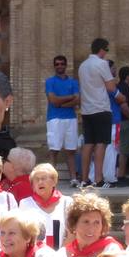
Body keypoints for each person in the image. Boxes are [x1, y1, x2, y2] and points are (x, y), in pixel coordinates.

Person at [76, 40, 117, 189]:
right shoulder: (102, 64)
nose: (106, 53)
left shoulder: (82, 66)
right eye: (106, 50)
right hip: (101, 108)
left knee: (88, 143)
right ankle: (99, 179)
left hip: (87, 109)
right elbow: (111, 87)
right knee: (101, 143)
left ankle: (84, 178)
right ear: (101, 50)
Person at [45, 55, 81, 186]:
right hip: (54, 119)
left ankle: (73, 179)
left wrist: (62, 103)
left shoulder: (73, 82)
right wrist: (70, 98)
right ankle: (51, 180)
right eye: (57, 64)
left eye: (62, 64)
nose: (59, 66)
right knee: (53, 150)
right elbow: (53, 100)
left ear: (66, 65)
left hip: (70, 118)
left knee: (71, 150)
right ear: (54, 66)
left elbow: (78, 100)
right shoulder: (50, 81)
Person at [18, 163, 71, 249]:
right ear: (33, 186)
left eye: (43, 178)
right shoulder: (25, 203)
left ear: (54, 182)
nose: (40, 182)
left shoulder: (66, 202)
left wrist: (60, 256)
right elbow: (22, 234)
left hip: (60, 256)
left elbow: (72, 234)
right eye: (36, 179)